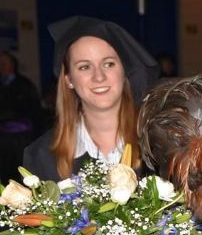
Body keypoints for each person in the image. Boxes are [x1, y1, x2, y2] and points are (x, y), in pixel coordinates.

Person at [23, 16, 159, 181]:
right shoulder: (41, 156)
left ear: (125, 72)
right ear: (68, 79)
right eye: (84, 67)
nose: (99, 77)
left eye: (108, 64)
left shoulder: (159, 147)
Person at [0, 51, 44, 184]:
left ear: (12, 65)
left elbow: (34, 111)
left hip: (20, 139)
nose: (1, 66)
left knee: (21, 171)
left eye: (3, 63)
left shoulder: (24, 84)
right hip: (2, 139)